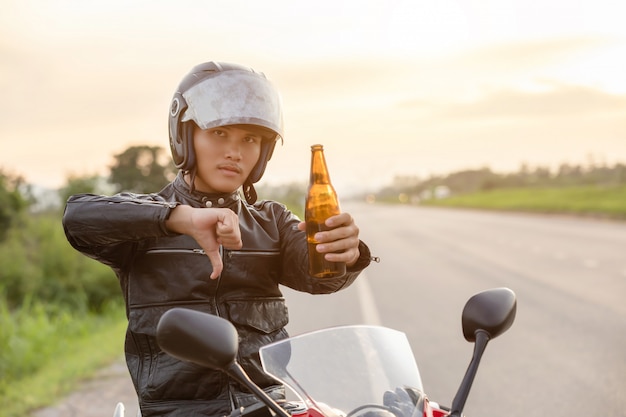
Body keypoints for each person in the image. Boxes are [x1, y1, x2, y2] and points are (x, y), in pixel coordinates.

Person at [62, 61, 373, 417]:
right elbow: (78, 217)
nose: (235, 152)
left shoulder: (272, 221)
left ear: (263, 152)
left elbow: (319, 275)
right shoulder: (147, 222)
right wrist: (181, 218)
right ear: (185, 136)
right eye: (220, 133)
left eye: (250, 139)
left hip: (272, 405)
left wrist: (344, 253)